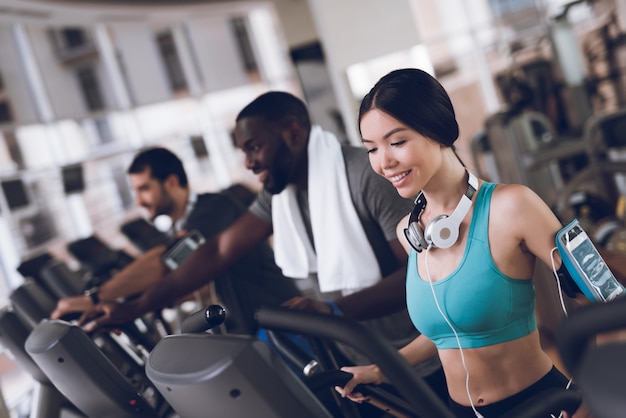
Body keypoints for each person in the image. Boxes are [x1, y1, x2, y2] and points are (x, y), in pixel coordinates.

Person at [77, 92, 447, 401]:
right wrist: (136, 306)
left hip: (420, 360)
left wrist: (333, 310)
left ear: (291, 132)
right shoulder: (279, 195)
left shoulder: (362, 176)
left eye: (254, 147)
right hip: (359, 365)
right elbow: (219, 250)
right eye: (243, 151)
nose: (249, 163)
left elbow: (420, 276)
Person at [334, 68, 591, 417]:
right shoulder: (411, 234)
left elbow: (607, 306)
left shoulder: (512, 207)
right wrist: (382, 369)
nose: (384, 162)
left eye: (396, 142)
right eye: (371, 149)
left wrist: (590, 399)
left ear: (439, 131)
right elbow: (450, 331)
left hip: (543, 405)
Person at [52, 147, 300, 335]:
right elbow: (192, 283)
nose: (139, 201)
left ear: (170, 182)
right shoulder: (185, 224)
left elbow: (168, 262)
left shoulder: (213, 208)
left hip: (282, 322)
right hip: (256, 327)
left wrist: (95, 299)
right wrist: (128, 306)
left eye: (144, 188)